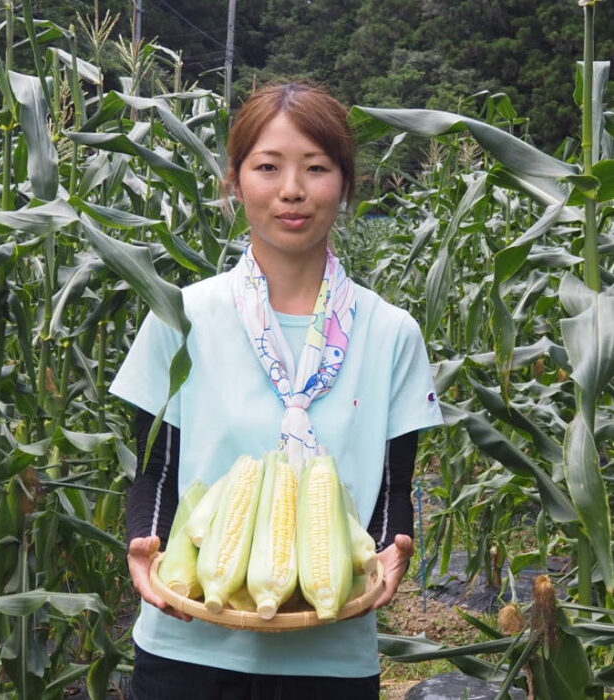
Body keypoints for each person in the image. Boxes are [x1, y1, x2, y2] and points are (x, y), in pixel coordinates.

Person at [110, 81, 443, 700]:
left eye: (316, 168)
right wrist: (144, 544)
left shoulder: (392, 333)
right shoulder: (180, 316)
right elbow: (157, 467)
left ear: (345, 185)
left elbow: (396, 488)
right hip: (187, 640)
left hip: (330, 650)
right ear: (235, 182)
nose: (292, 190)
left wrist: (394, 550)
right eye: (268, 167)